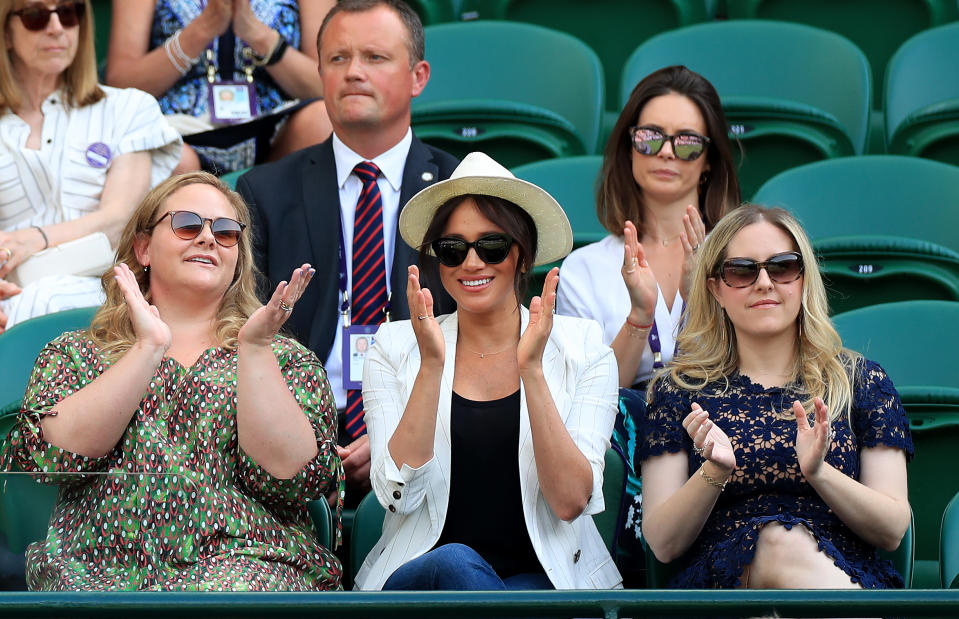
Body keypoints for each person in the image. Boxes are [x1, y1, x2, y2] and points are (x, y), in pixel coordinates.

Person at [2, 172, 343, 590]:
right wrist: (148, 347)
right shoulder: (76, 353)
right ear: (143, 248)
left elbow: (295, 481)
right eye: (186, 224)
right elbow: (52, 459)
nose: (207, 238)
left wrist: (254, 351)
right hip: (97, 570)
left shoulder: (285, 359)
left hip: (247, 567)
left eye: (225, 231)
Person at [353, 151, 622, 591]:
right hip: (425, 581)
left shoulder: (583, 347)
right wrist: (431, 368)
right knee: (456, 563)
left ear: (521, 255)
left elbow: (570, 501)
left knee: (497, 592)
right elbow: (397, 497)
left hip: (543, 582)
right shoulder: (395, 347)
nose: (472, 263)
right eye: (453, 249)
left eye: (491, 246)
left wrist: (531, 370)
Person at [236, 0, 458, 501]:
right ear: (320, 73)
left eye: (375, 57)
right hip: (294, 433)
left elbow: (489, 341)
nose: (353, 72)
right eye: (337, 59)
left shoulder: (459, 189)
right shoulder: (264, 192)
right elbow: (239, 333)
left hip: (432, 433)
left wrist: (398, 430)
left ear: (418, 76)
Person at [639, 205, 913, 589]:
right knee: (772, 542)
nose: (764, 283)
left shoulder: (860, 382)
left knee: (782, 546)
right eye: (742, 270)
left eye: (782, 267)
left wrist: (819, 473)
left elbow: (892, 528)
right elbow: (663, 543)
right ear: (716, 287)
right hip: (719, 594)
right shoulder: (679, 391)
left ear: (803, 279)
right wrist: (713, 473)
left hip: (841, 580)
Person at [555, 65, 741, 561]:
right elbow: (592, 395)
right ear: (627, 146)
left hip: (719, 438)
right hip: (619, 447)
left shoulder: (743, 258)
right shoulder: (585, 267)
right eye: (650, 137)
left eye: (686, 143)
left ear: (708, 160)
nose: (665, 152)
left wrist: (696, 302)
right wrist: (641, 314)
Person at [0, 0, 181, 332]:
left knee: (48, 300)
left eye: (69, 13)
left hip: (104, 297)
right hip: (9, 302)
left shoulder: (128, 108)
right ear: (6, 32)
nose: (56, 27)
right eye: (36, 16)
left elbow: (118, 220)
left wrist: (33, 239)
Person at [106, 0, 335, 174]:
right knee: (173, 159)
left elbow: (327, 85)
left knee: (323, 120)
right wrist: (204, 28)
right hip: (179, 132)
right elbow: (120, 84)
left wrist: (257, 34)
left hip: (275, 128)